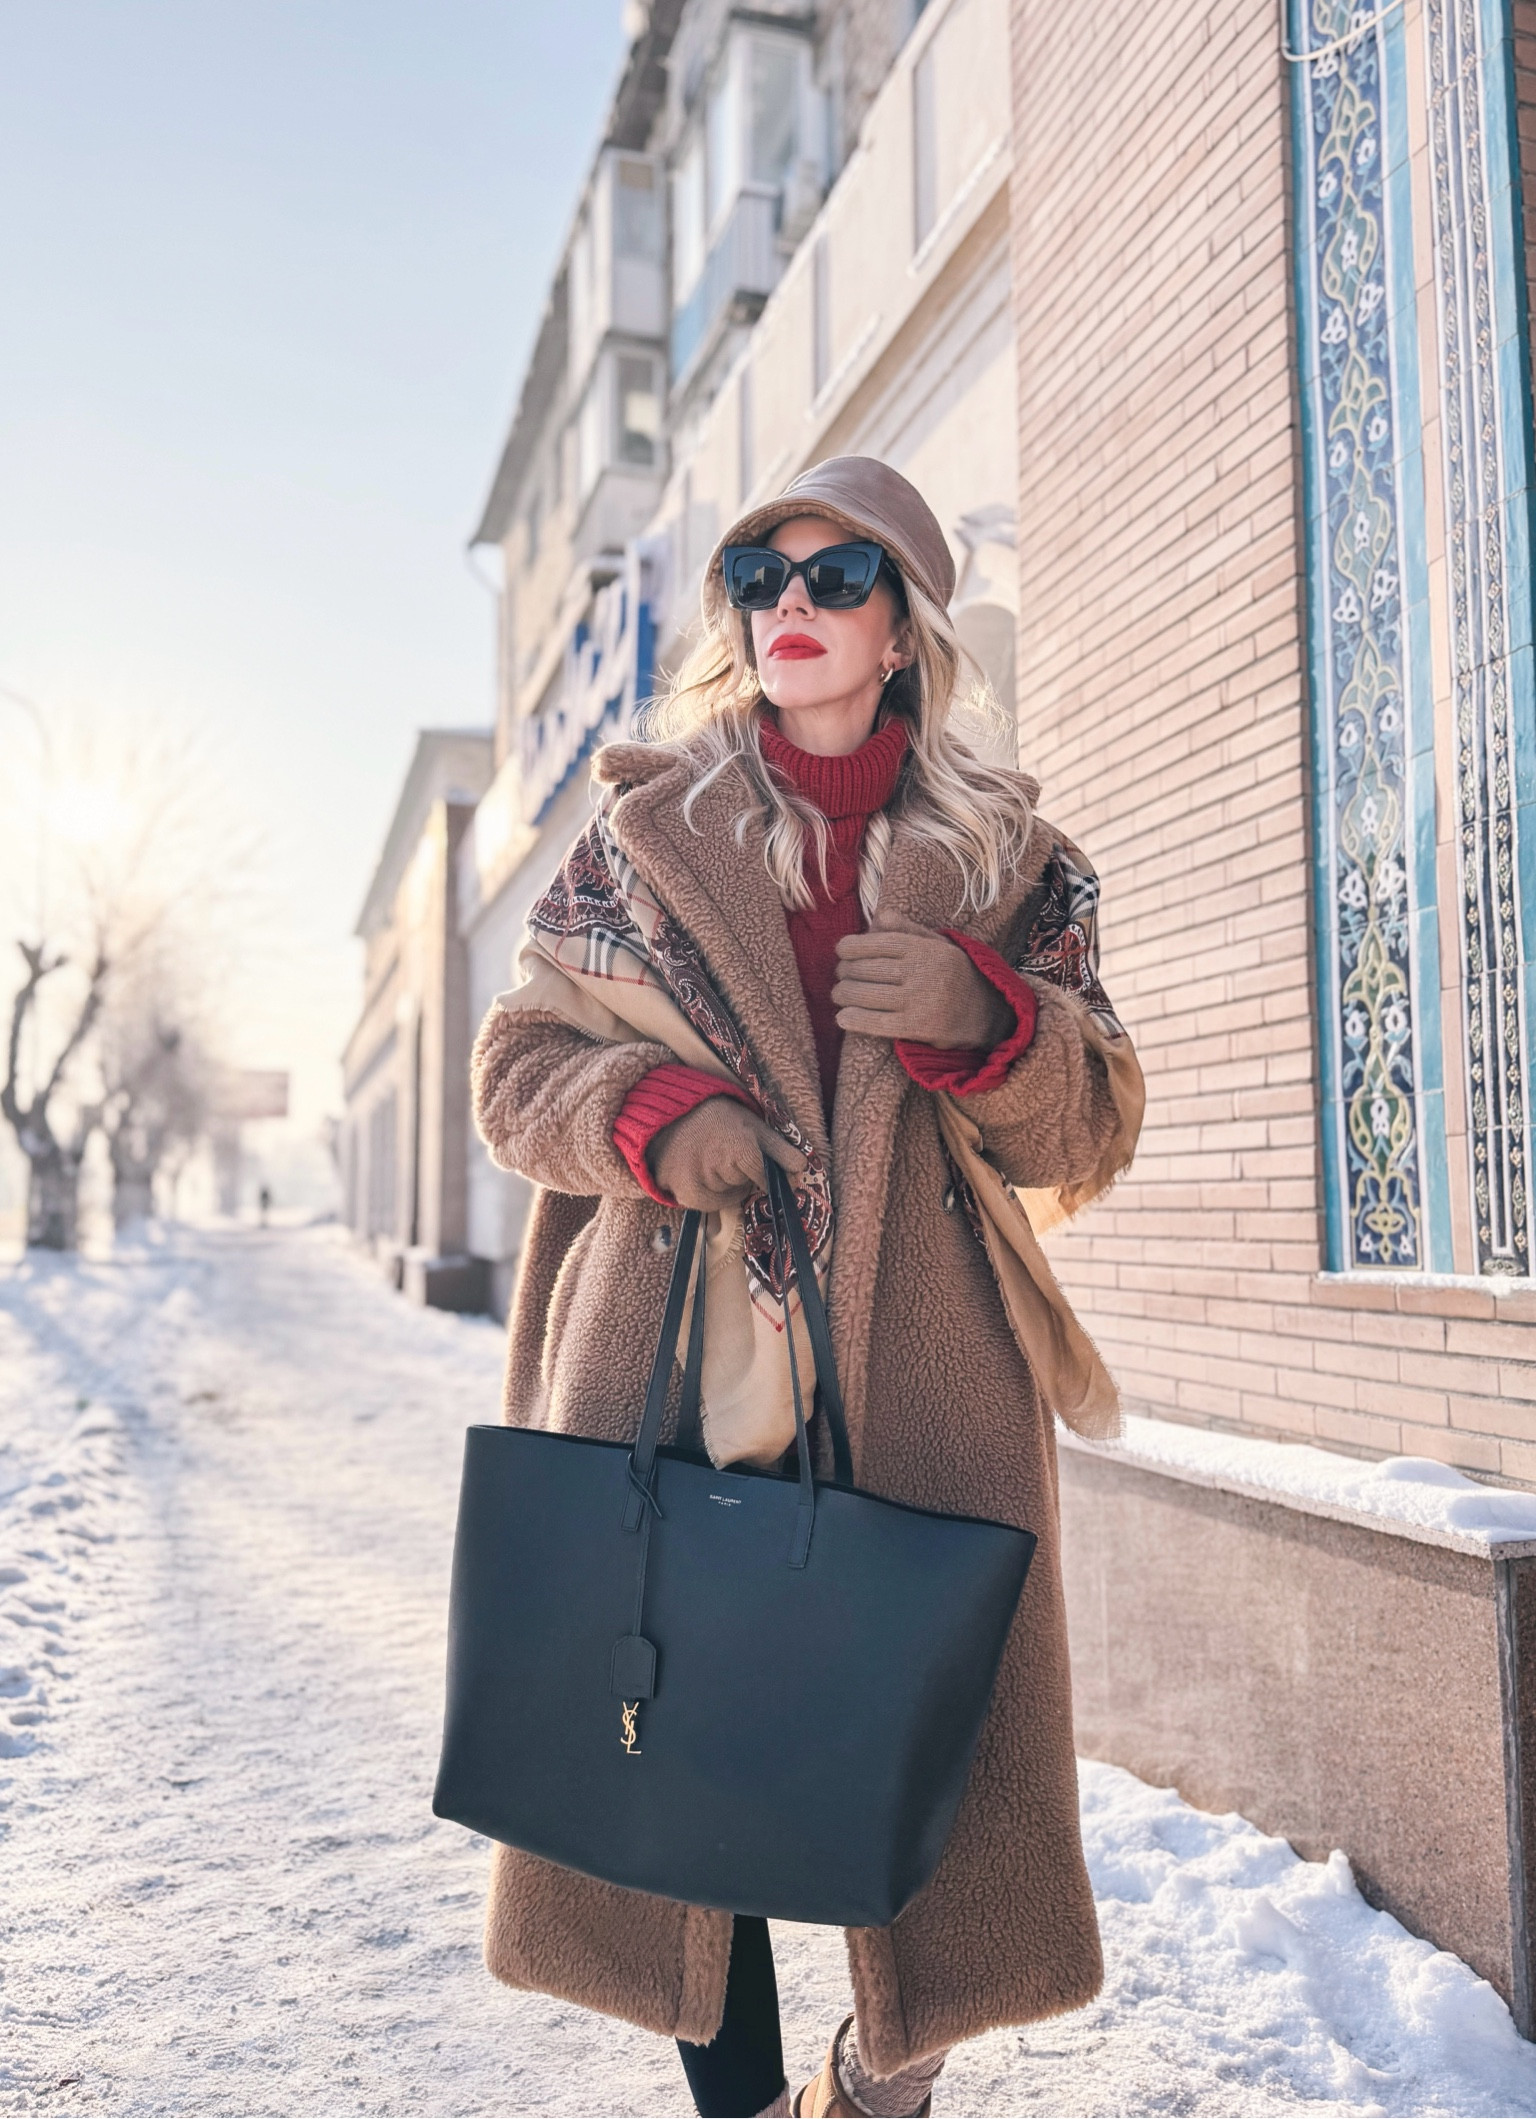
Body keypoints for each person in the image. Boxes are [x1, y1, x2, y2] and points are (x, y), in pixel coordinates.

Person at [470, 457, 1142, 2117]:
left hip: (924, 1369)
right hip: (677, 1356)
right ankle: (752, 2097)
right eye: (761, 577)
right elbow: (513, 1066)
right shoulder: (640, 837)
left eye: (838, 580)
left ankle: (885, 2065)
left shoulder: (1013, 863)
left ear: (905, 626)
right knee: (682, 1746)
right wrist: (647, 1113)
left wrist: (991, 1026)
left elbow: (1094, 1120)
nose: (792, 606)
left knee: (906, 1730)